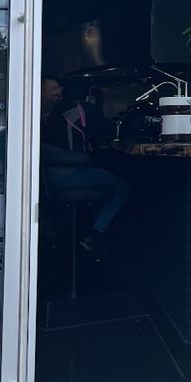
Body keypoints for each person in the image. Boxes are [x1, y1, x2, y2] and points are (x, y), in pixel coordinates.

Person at [40, 75, 128, 256]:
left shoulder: (54, 113)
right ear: (87, 94)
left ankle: (93, 235)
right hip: (71, 173)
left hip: (50, 177)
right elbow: (109, 133)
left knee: (102, 190)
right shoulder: (82, 108)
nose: (58, 91)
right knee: (121, 188)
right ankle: (95, 237)